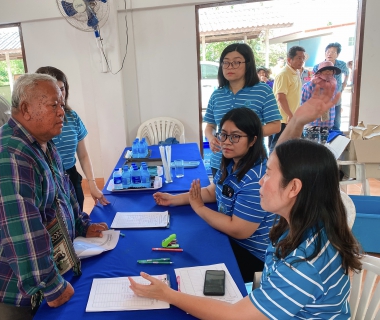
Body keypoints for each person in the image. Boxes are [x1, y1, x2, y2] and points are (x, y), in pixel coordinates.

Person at [128, 85, 362, 319]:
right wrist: (297, 121)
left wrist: (168, 294)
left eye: (268, 174)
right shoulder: (299, 224)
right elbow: (280, 156)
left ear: (293, 188)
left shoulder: (304, 263)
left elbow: (235, 316)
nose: (261, 181)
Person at [0, 73, 109, 320]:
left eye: (61, 103)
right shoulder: (9, 155)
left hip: (24, 274)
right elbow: (21, 231)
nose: (62, 112)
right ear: (26, 109)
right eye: (53, 105)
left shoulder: (42, 143)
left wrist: (81, 224)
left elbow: (63, 191)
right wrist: (51, 285)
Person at [156, 107, 275, 282]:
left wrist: (199, 208)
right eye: (223, 135)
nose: (226, 142)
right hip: (230, 239)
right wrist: (174, 199)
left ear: (252, 140)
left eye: (235, 136)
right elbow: (213, 192)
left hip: (253, 254)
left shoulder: (255, 179)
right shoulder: (232, 162)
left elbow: (239, 230)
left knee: (190, 263)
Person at [36, 66, 109, 211]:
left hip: (71, 176)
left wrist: (92, 184)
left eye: (62, 89)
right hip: (48, 183)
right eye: (54, 89)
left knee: (77, 220)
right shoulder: (37, 122)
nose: (59, 94)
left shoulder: (72, 117)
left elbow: (83, 155)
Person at [203, 43, 281, 177]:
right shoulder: (217, 94)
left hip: (252, 162)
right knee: (218, 196)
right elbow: (210, 125)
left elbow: (276, 126)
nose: (230, 67)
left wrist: (243, 136)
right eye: (226, 63)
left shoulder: (262, 91)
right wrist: (211, 138)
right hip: (220, 162)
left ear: (248, 64)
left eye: (236, 62)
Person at [269, 46, 305, 152]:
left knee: (294, 146)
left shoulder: (296, 72)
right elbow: (281, 97)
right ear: (289, 60)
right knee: (276, 147)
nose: (302, 61)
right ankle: (269, 167)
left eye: (303, 58)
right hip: (283, 119)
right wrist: (290, 115)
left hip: (293, 118)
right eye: (299, 58)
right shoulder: (283, 74)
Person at [313, 42, 349, 131]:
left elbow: (347, 73)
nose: (330, 54)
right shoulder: (318, 66)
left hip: (336, 96)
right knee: (324, 121)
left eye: (333, 52)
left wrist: (344, 83)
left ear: (338, 54)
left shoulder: (342, 64)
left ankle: (336, 137)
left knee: (336, 120)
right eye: (328, 51)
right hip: (323, 98)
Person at [302, 60, 341, 130]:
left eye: (330, 70)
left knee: (328, 140)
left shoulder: (334, 85)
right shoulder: (310, 85)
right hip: (313, 124)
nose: (328, 72)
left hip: (329, 123)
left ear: (333, 72)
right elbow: (303, 102)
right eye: (325, 70)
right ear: (320, 72)